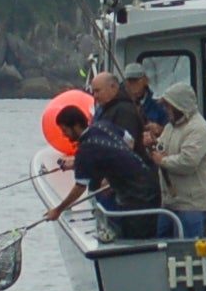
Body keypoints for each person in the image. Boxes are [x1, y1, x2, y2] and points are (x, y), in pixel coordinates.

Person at [46, 84, 161, 233]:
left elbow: (80, 187)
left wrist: (58, 210)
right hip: (150, 183)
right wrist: (115, 174)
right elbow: (129, 141)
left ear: (76, 126)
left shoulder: (86, 149)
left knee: (134, 235)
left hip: (136, 196)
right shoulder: (104, 126)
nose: (64, 135)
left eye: (65, 130)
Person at [152, 83, 206, 236]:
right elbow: (162, 149)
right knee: (164, 248)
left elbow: (188, 162)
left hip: (193, 207)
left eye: (169, 106)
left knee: (188, 254)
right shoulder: (170, 127)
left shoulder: (198, 128)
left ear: (180, 106)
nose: (166, 110)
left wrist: (162, 161)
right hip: (170, 204)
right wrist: (153, 143)